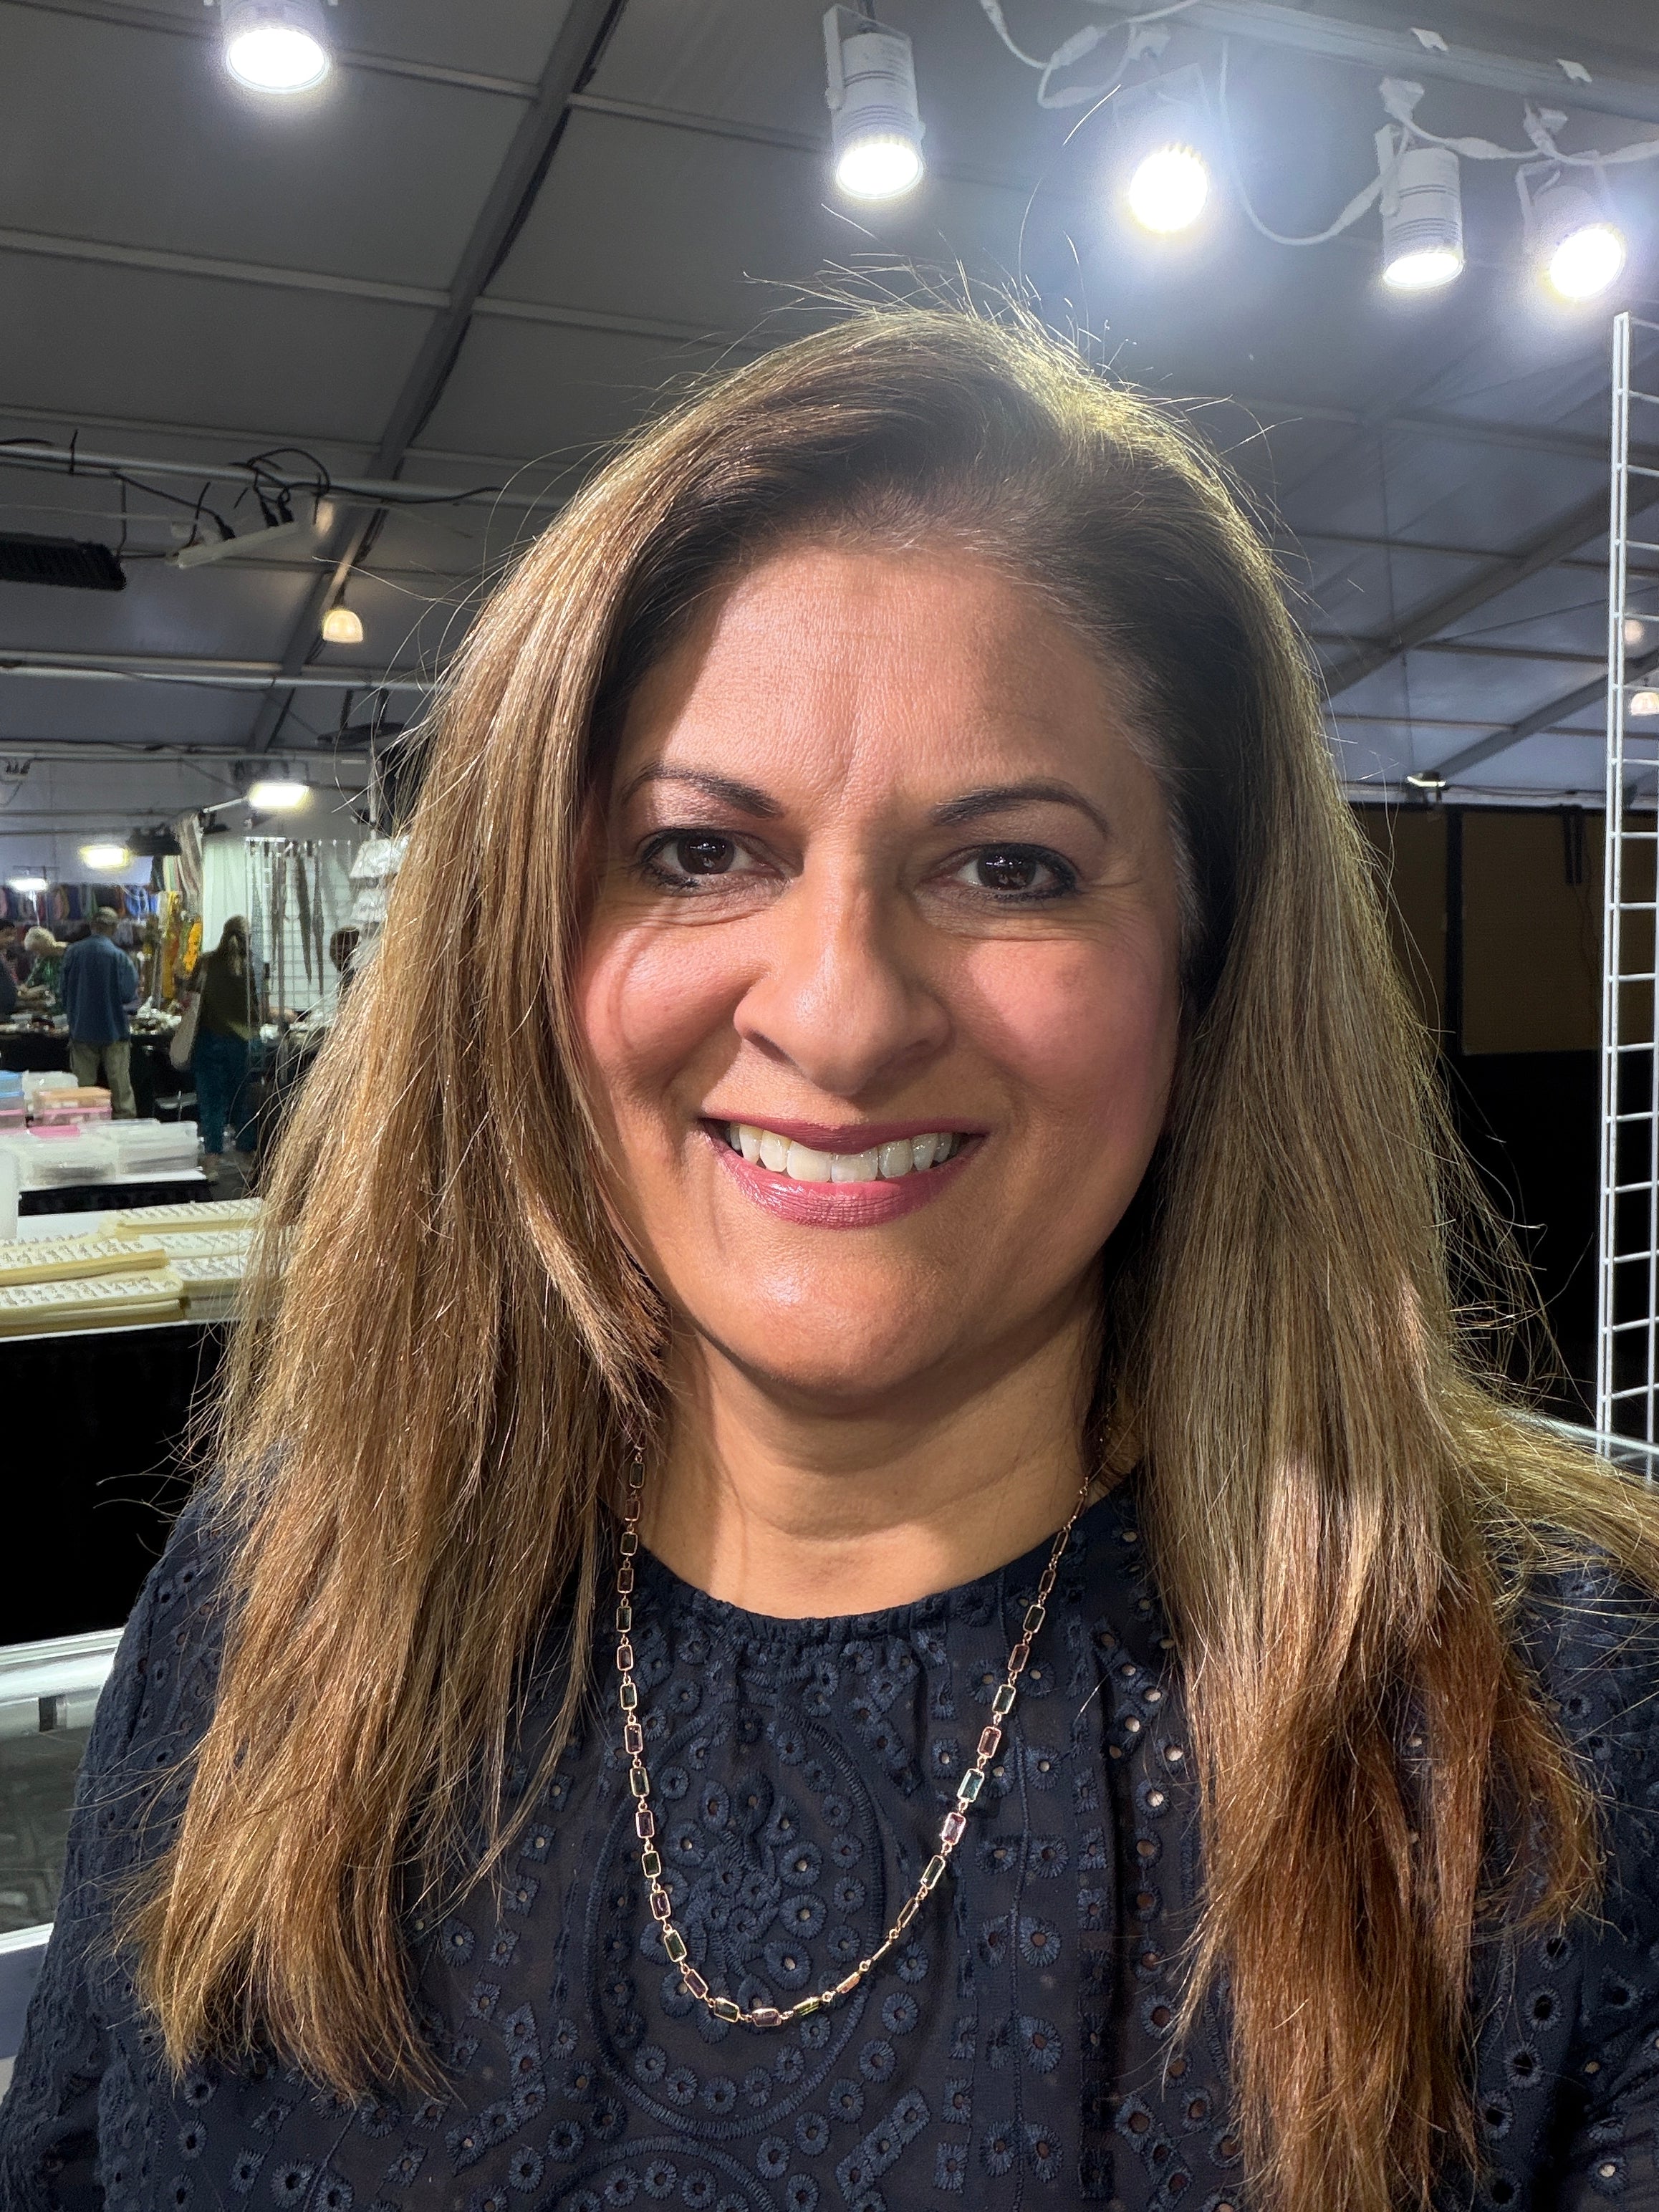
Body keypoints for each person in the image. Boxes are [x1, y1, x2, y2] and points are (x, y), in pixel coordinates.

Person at [4, 312, 1658, 2212]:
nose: (842, 1014)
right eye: (701, 851)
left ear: (1203, 972)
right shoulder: (279, 1596)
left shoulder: (1558, 1740)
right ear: (519, 939)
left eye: (1010, 867)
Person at [185, 915, 256, 1173]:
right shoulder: (251, 967)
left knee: (212, 1100)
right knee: (242, 1098)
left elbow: (189, 998)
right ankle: (247, 1156)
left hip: (208, 1040)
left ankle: (212, 1159)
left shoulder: (206, 962)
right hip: (241, 1042)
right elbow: (257, 1008)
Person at [57, 905, 137, 1116]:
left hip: (81, 1029)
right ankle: (126, 1126)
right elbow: (128, 994)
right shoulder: (119, 956)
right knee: (121, 1089)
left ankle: (85, 1125)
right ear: (114, 928)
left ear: (92, 926)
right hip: (114, 1030)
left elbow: (62, 991)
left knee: (83, 1091)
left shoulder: (73, 952)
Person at [16, 924, 64, 1009]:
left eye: (37, 950)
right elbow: (34, 977)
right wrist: (25, 987)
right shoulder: (41, 959)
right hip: (51, 1000)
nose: (37, 954)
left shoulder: (66, 953)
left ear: (45, 944)